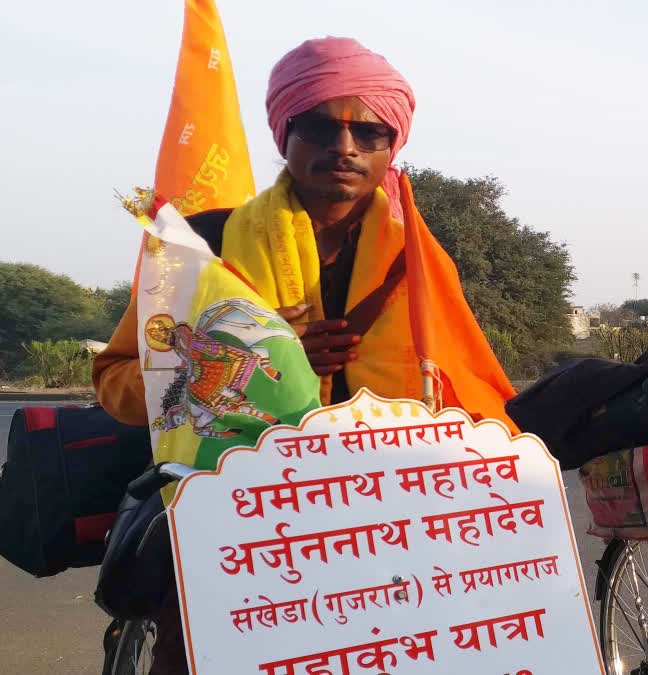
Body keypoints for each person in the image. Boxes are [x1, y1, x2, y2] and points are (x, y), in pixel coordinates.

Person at [92, 37, 438, 675]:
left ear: (393, 145)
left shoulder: (418, 263)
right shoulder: (207, 243)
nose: (345, 148)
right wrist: (242, 366)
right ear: (285, 134)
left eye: (369, 131)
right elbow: (115, 378)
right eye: (319, 127)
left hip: (384, 518)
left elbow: (460, 389)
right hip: (229, 525)